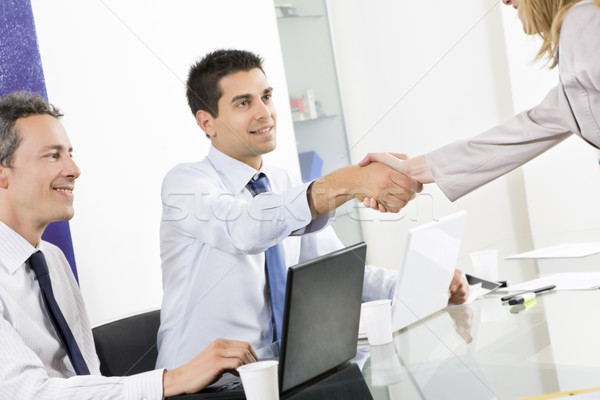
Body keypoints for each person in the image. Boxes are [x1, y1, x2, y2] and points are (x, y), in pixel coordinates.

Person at [156, 49, 469, 370]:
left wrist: (420, 283)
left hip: (282, 371)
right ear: (207, 122)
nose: (265, 112)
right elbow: (245, 229)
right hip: (204, 384)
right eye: (243, 103)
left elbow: (336, 273)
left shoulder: (282, 181)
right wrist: (347, 181)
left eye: (266, 96)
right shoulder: (185, 183)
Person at [0, 91, 259, 399]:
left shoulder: (51, 260)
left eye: (70, 153)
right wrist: (171, 380)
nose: (74, 169)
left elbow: (90, 375)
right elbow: (28, 393)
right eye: (53, 155)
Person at [359, 0, 600, 204]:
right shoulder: (581, 27)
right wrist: (410, 169)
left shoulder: (583, 21)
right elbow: (524, 132)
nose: (504, 0)